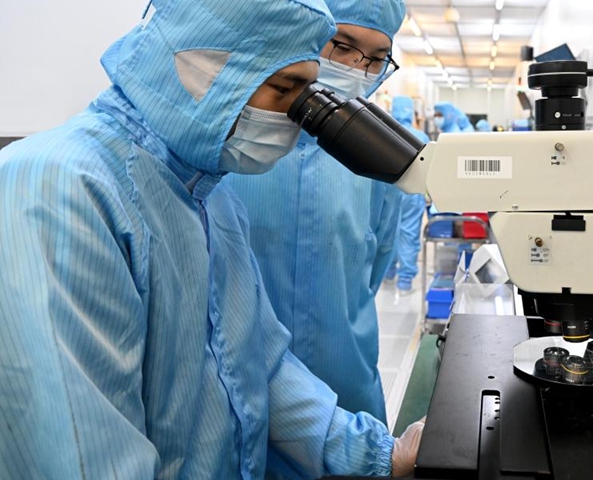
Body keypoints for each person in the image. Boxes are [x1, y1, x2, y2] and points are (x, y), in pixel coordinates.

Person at [0, 1, 422, 479]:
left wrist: (381, 454)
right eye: (285, 88)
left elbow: (258, 368)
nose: (295, 117)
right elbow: (83, 453)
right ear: (201, 67)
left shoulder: (210, 198)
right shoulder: (59, 188)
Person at [224, 0, 405, 427]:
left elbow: (374, 264)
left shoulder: (382, 155)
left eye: (378, 59)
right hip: (244, 385)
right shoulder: (240, 143)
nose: (356, 68)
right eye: (341, 45)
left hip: (346, 378)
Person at [383, 96, 430, 293]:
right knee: (409, 232)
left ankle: (388, 273)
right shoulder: (421, 136)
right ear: (411, 112)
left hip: (387, 189)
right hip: (412, 192)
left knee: (387, 231)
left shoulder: (383, 132)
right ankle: (405, 280)